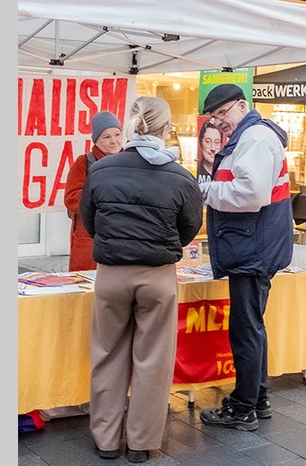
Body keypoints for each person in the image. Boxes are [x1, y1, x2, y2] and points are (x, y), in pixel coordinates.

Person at [79, 96, 203, 462]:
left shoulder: (102, 170)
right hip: (158, 275)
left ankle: (105, 440)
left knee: (107, 354)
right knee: (153, 360)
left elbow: (91, 221)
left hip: (112, 273)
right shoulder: (181, 177)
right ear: (166, 129)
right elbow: (189, 228)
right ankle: (140, 444)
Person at [196, 84, 293, 432]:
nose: (219, 122)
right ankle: (258, 398)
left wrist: (205, 191)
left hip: (254, 250)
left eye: (223, 114)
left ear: (242, 105)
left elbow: (250, 194)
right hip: (255, 247)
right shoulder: (252, 136)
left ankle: (243, 407)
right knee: (252, 326)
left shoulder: (254, 138)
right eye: (214, 117)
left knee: (245, 329)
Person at [63, 111, 123, 271]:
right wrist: (105, 200)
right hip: (89, 240)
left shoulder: (130, 162)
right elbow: (71, 198)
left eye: (117, 134)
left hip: (123, 239)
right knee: (85, 291)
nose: (114, 141)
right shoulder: (83, 163)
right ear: (96, 140)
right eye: (106, 137)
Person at [196, 119, 222, 183]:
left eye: (217, 142)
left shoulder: (225, 172)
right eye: (208, 141)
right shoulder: (194, 174)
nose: (213, 148)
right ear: (200, 143)